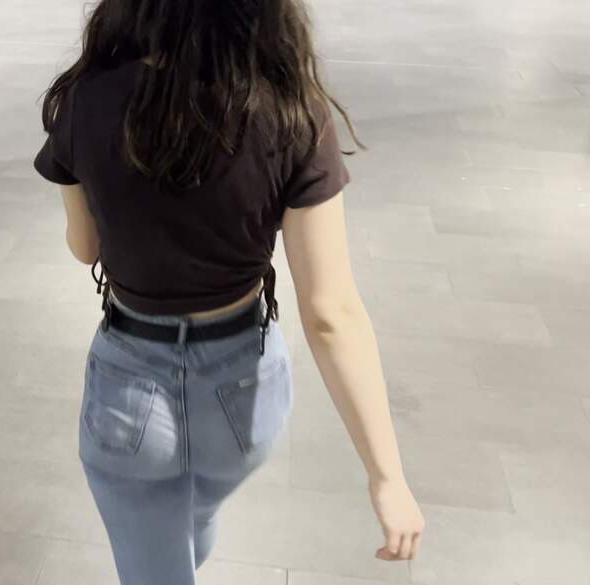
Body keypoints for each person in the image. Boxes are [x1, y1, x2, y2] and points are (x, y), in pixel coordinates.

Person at [33, 0, 425, 582]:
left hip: (129, 387)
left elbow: (85, 247)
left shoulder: (85, 99)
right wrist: (386, 477)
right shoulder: (290, 110)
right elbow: (330, 313)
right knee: (197, 508)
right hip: (243, 394)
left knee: (155, 560)